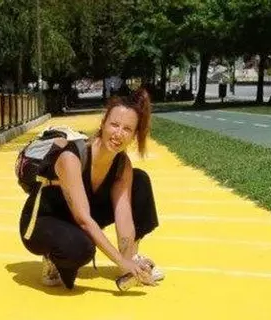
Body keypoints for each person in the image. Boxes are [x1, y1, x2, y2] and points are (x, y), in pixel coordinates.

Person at [18, 88, 163, 290]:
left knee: (139, 181)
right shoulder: (71, 157)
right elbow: (84, 220)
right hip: (41, 222)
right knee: (81, 249)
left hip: (76, 218)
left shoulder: (122, 165)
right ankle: (52, 256)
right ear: (103, 124)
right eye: (114, 125)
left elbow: (124, 216)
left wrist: (128, 263)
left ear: (133, 136)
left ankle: (133, 255)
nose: (118, 134)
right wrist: (120, 262)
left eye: (127, 129)